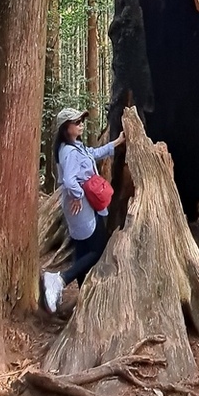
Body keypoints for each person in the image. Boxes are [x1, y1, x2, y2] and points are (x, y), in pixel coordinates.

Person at [39, 107, 125, 313]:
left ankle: (84, 298)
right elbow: (69, 180)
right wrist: (77, 195)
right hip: (80, 206)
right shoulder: (68, 152)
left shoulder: (76, 147)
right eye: (76, 122)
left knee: (83, 250)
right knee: (97, 249)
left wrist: (117, 142)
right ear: (65, 128)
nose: (81, 125)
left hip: (85, 205)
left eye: (81, 121)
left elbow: (93, 154)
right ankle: (60, 279)